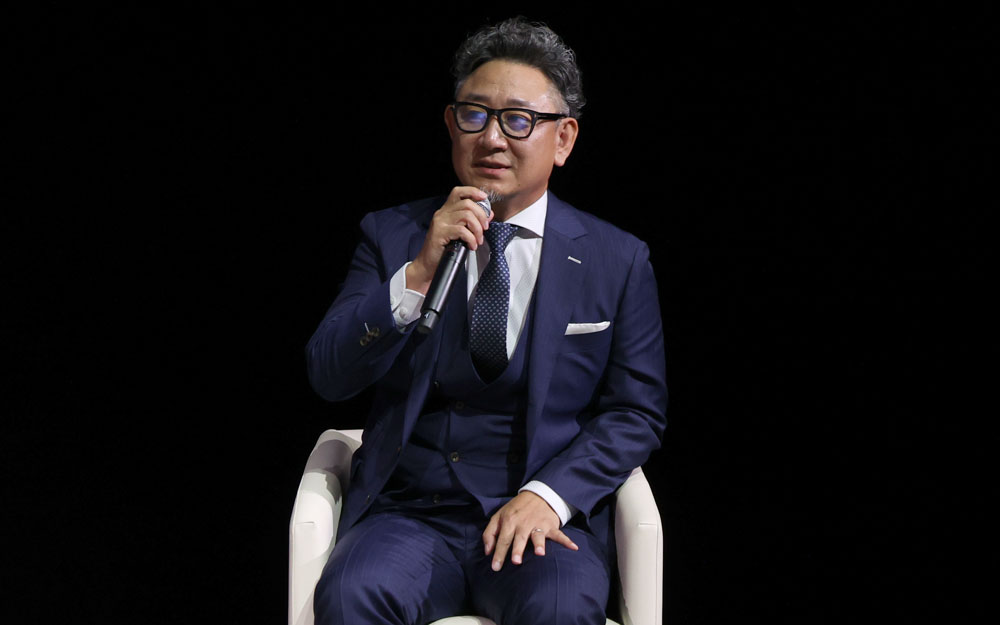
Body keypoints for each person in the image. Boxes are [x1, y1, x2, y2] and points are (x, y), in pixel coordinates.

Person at [306, 17, 667, 625]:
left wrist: (549, 497)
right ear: (452, 125)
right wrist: (419, 271)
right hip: (410, 515)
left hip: (538, 519)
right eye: (475, 115)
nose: (493, 138)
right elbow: (328, 374)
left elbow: (636, 412)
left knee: (562, 607)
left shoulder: (617, 259)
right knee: (352, 595)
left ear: (563, 139)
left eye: (518, 120)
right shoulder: (392, 234)